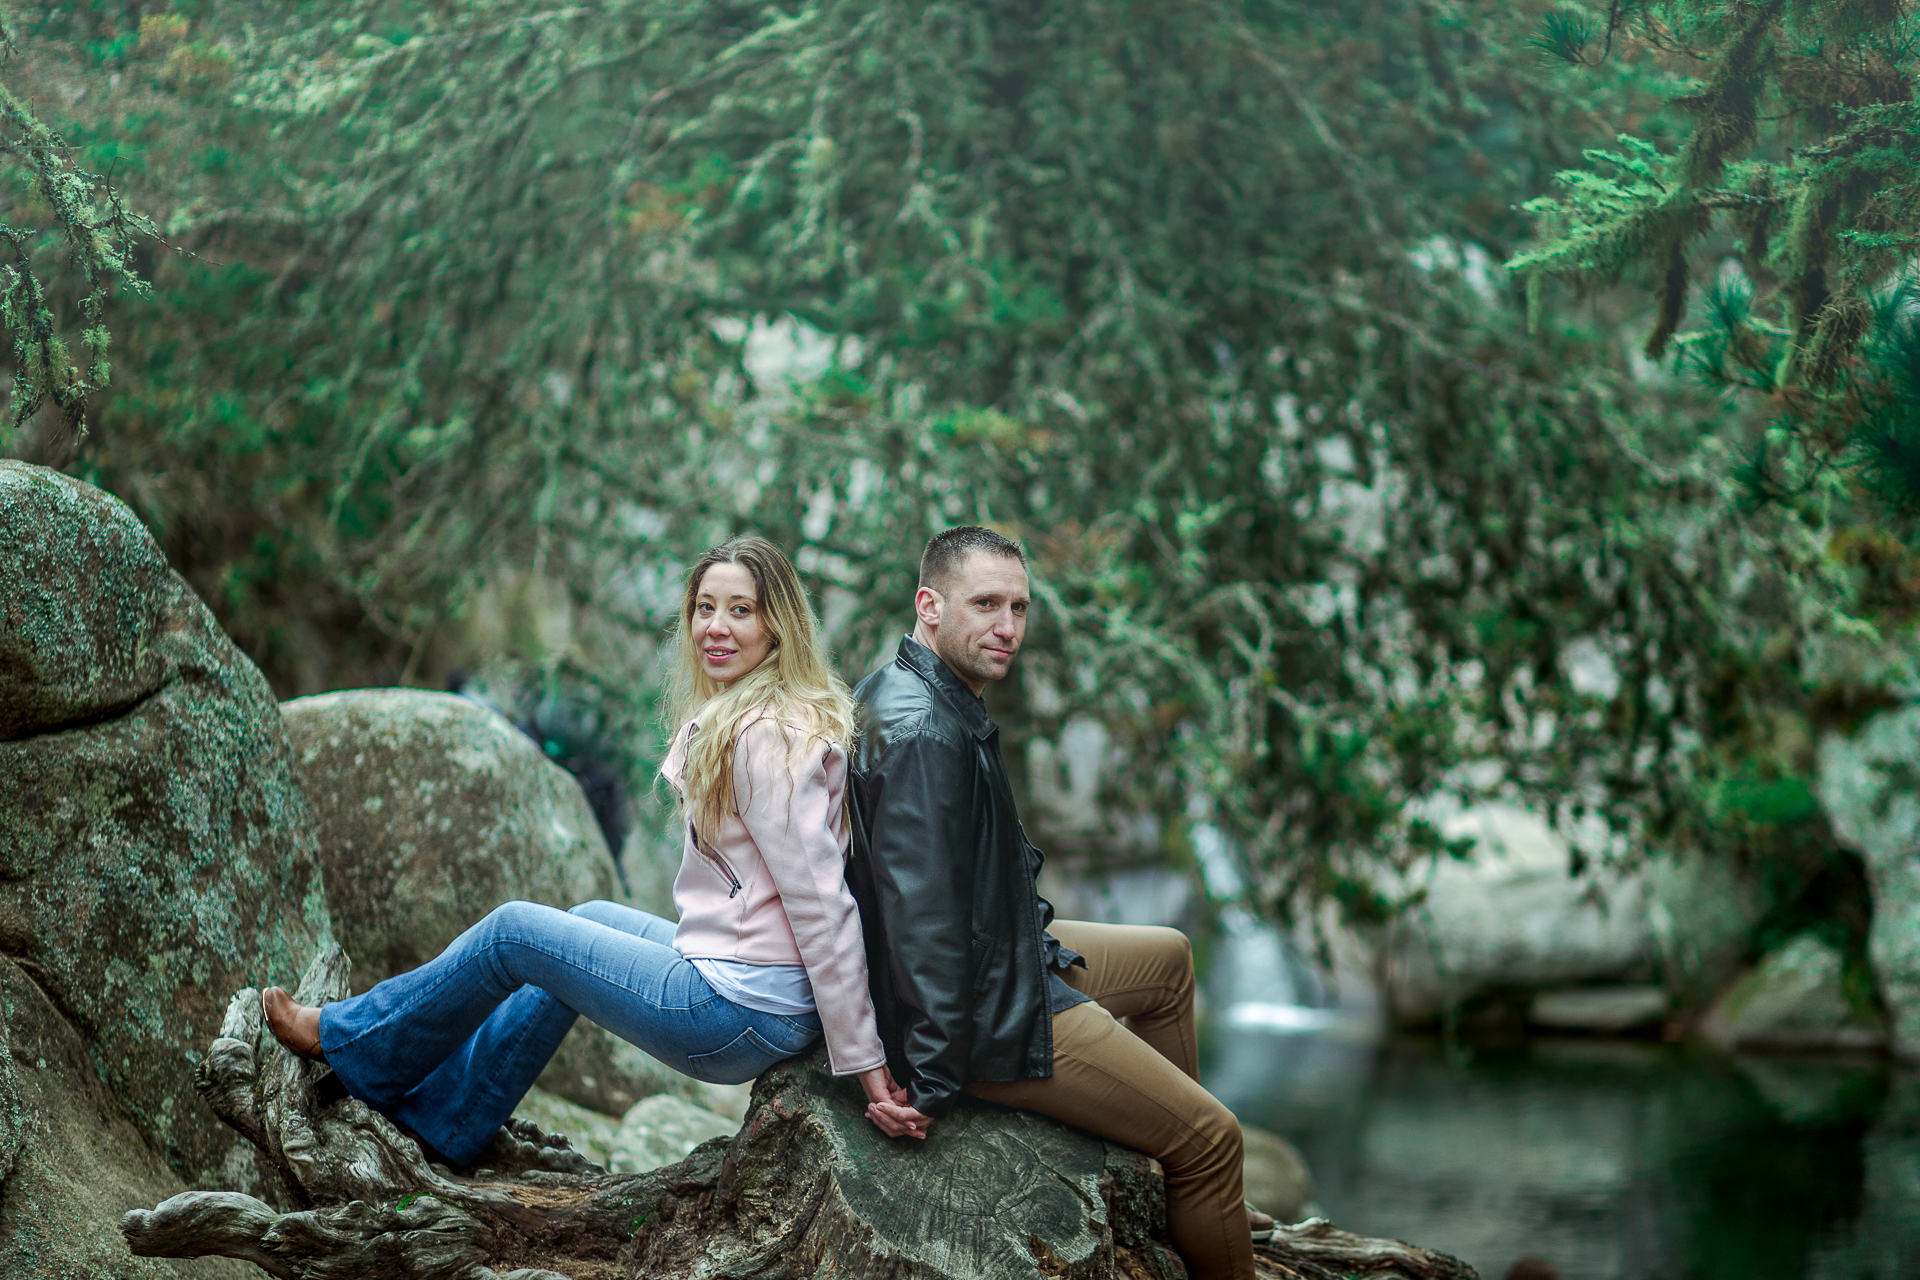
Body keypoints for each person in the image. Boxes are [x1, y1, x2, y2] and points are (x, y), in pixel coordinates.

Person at [261, 536, 905, 1166]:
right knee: (586, 919)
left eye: (741, 610)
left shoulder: (764, 738)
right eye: (705, 607)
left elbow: (821, 901)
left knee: (513, 932)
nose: (716, 626)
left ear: (778, 627)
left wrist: (864, 1059)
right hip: (752, 990)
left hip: (738, 1011)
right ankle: (448, 1122)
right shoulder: (770, 715)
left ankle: (351, 1042)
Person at [846, 526, 1265, 1280]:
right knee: (1212, 1140)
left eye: (1019, 607)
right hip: (984, 1019)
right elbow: (922, 929)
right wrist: (932, 1080)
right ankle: (1196, 1172)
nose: (1007, 627)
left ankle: (1179, 1184)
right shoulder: (922, 732)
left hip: (998, 957)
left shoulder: (913, 687)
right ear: (929, 606)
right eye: (985, 604)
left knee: (1168, 961)